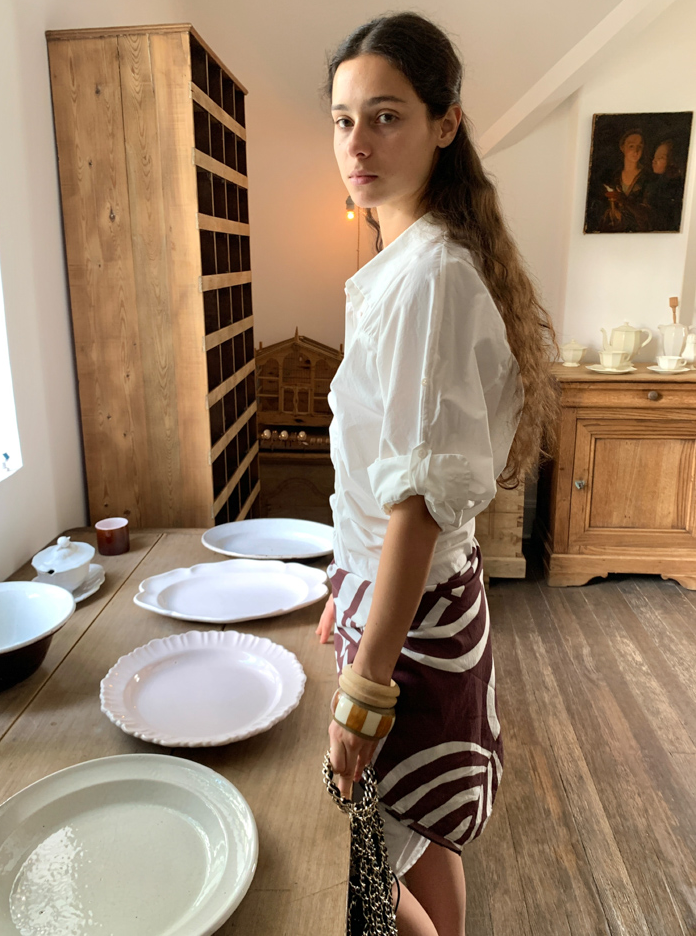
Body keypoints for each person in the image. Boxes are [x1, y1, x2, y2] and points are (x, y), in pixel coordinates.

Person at [315, 13, 558, 936]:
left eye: (386, 117)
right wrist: (343, 582)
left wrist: (364, 691)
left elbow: (416, 503)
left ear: (444, 123)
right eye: (343, 120)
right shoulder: (415, 260)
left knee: (363, 872)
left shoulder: (431, 278)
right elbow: (382, 478)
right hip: (408, 599)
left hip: (409, 623)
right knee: (421, 832)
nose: (357, 143)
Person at [593, 128, 652, 232]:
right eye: (631, 146)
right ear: (622, 147)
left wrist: (624, 200)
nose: (636, 151)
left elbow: (648, 214)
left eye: (639, 147)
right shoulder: (614, 176)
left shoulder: (647, 177)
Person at [644, 138, 685, 231]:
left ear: (672, 161)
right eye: (655, 157)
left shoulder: (675, 186)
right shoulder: (654, 184)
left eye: (660, 158)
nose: (654, 161)